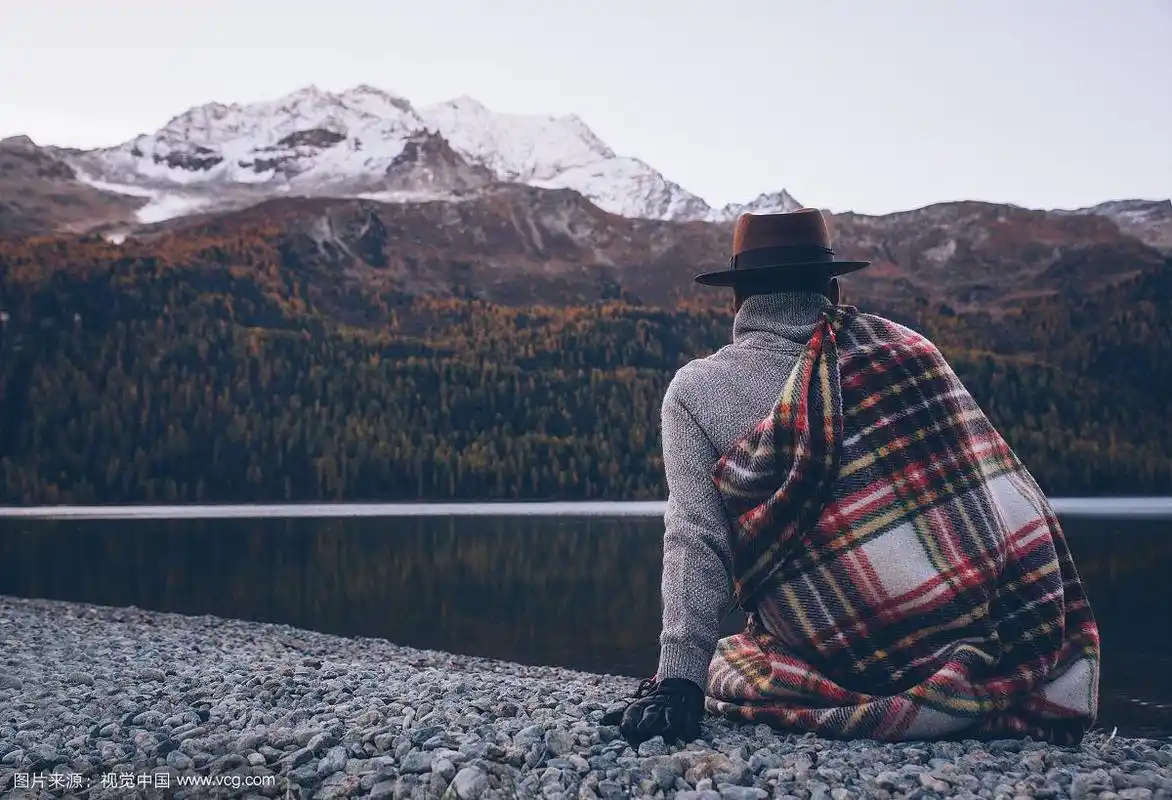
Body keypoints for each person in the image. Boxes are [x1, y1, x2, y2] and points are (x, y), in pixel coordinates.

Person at [602, 208, 1101, 746]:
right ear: (834, 292)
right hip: (960, 654)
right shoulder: (909, 356)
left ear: (737, 300)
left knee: (734, 663)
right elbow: (1001, 504)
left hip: (835, 661)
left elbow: (696, 541)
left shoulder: (697, 391)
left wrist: (678, 681)